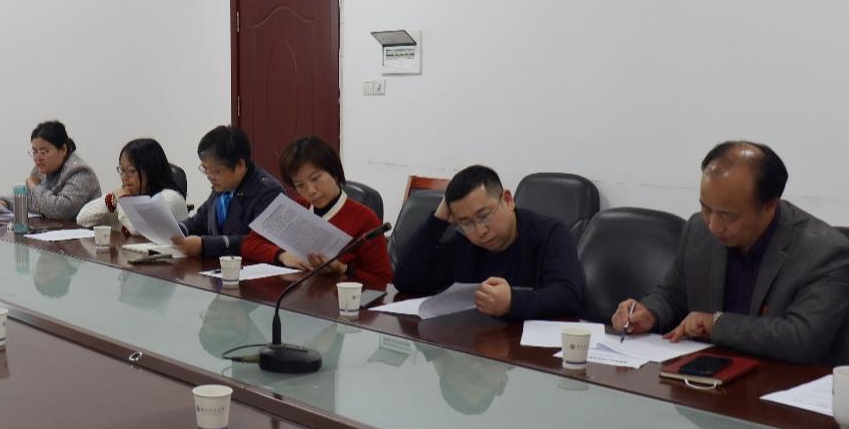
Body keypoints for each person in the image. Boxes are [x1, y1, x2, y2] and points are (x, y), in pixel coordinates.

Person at [612, 141, 849, 364]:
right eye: (706, 208)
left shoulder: (825, 252)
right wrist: (649, 313)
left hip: (789, 385)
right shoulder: (698, 229)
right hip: (709, 377)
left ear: (770, 206)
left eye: (728, 216)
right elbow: (673, 295)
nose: (713, 225)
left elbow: (802, 339)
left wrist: (716, 324)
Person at [392, 164, 585, 319]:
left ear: (507, 200)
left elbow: (568, 295)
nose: (480, 231)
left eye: (484, 216)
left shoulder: (550, 233)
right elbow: (406, 282)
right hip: (475, 343)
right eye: (466, 223)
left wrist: (512, 302)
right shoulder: (464, 242)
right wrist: (438, 220)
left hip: (530, 349)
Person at [240, 136, 392, 287]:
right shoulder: (298, 208)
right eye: (300, 185)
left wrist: (342, 269)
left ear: (334, 173)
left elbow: (383, 281)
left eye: (315, 178)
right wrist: (281, 255)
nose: (310, 191)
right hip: (299, 293)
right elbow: (249, 243)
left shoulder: (365, 219)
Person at [172, 125, 283, 258]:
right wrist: (176, 229)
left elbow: (257, 243)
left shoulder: (269, 192)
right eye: (205, 169)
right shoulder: (223, 185)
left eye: (216, 171)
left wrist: (205, 245)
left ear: (240, 165)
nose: (209, 177)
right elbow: (201, 219)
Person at [76, 137, 188, 234]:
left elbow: (139, 230)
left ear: (151, 171)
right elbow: (82, 219)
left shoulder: (170, 198)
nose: (124, 177)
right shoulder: (129, 193)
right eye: (122, 170)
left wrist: (123, 200)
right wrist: (111, 200)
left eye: (131, 171)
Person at [19, 120, 101, 221]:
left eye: (44, 152)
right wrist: (5, 203)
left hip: (83, 231)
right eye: (35, 152)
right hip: (49, 230)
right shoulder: (39, 170)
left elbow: (60, 211)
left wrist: (35, 187)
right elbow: (30, 202)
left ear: (63, 150)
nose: (38, 158)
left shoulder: (80, 172)